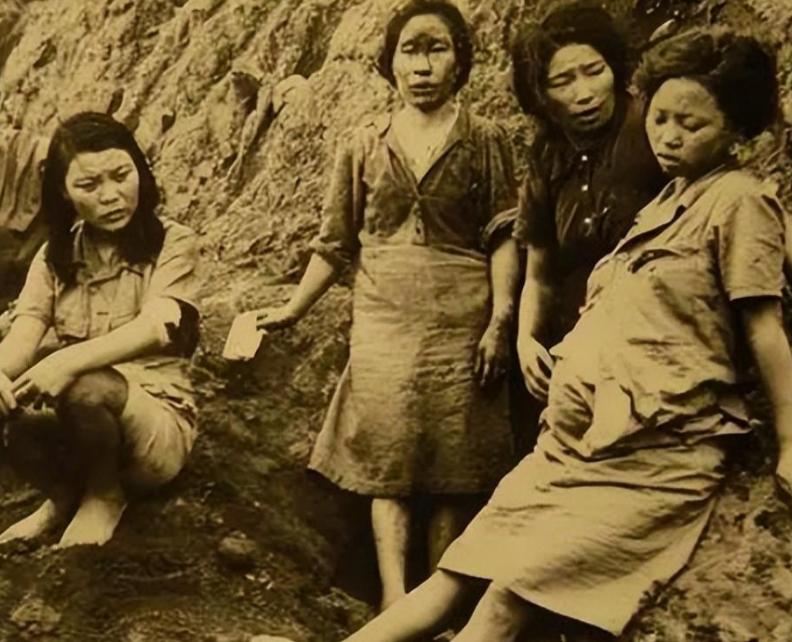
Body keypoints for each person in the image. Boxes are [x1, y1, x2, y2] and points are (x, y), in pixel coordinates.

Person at [341, 28, 792, 642]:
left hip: (656, 454)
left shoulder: (741, 204)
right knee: (452, 580)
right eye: (659, 118)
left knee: (505, 601)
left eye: (693, 124)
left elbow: (764, 328)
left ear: (737, 128)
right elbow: (552, 271)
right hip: (575, 445)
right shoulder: (663, 203)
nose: (669, 135)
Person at [252, 0, 520, 610]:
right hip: (383, 321)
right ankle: (396, 598)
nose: (422, 66)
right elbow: (335, 243)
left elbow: (505, 235)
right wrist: (293, 309)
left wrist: (500, 320)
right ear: (390, 62)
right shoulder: (362, 144)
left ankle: (438, 601)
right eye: (410, 50)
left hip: (463, 316)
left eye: (436, 49)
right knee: (387, 458)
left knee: (454, 463)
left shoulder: (487, 141)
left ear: (460, 61)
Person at [0, 112, 201, 548]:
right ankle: (61, 498)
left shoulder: (173, 242)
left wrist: (67, 359)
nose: (111, 196)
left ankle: (104, 496)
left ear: (139, 171)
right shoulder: (55, 257)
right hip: (78, 424)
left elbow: (158, 326)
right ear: (64, 192)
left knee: (85, 385)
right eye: (89, 186)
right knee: (13, 404)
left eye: (121, 175)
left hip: (154, 428)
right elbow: (22, 337)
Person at [507, 2, 666, 451]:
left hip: (651, 333)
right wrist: (525, 339)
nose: (584, 92)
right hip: (575, 342)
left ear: (614, 66)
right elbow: (539, 269)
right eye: (562, 81)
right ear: (541, 94)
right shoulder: (547, 155)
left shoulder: (652, 126)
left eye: (593, 71)